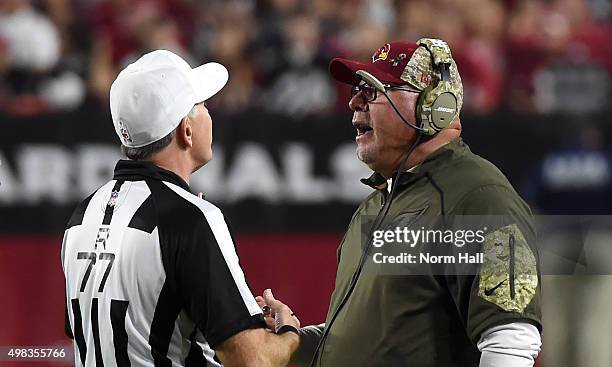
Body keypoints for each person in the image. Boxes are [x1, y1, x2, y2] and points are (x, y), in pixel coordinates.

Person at [280, 39, 543, 366]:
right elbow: (363, 342)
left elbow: (511, 341)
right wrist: (291, 340)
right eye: (357, 90)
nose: (355, 103)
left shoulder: (479, 198)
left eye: (374, 90)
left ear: (434, 105)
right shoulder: (378, 204)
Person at [61, 50, 300, 367]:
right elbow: (252, 361)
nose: (209, 114)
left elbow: (99, 331)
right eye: (202, 106)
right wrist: (289, 332)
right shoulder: (191, 218)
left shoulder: (83, 214)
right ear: (186, 130)